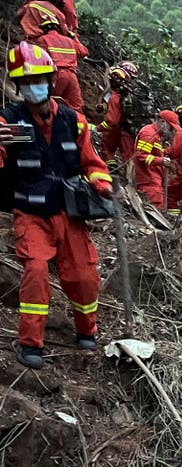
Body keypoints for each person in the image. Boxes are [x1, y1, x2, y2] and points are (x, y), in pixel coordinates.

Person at [1, 42, 112, 369]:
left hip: (69, 211)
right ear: (19, 87)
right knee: (35, 271)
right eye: (25, 82)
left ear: (50, 81)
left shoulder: (73, 121)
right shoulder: (8, 122)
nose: (32, 87)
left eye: (38, 80)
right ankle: (30, 343)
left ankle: (86, 329)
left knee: (84, 276)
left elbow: (93, 163)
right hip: (30, 213)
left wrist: (101, 185)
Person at [31, 16, 85, 113]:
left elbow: (39, 60)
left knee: (50, 104)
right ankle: (79, 126)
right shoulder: (69, 40)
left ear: (43, 29)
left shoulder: (43, 40)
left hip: (57, 75)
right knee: (76, 107)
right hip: (72, 77)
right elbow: (84, 52)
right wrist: (74, 38)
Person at [134, 111, 177, 210]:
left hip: (154, 179)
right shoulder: (148, 134)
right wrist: (161, 161)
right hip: (148, 180)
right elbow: (141, 156)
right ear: (162, 122)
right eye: (171, 127)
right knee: (155, 209)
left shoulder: (157, 136)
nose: (171, 131)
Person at [99, 61, 137, 165]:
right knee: (129, 157)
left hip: (118, 128)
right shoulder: (133, 94)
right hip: (130, 130)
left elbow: (112, 121)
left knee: (106, 148)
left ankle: (111, 168)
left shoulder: (116, 97)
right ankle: (129, 178)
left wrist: (97, 128)